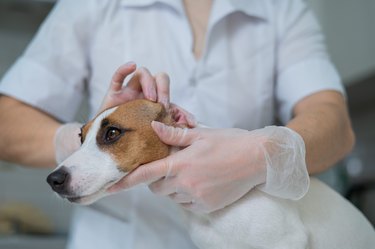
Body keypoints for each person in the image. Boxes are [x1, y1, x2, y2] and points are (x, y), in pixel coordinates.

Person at [0, 0, 355, 249]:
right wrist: (75, 142)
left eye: (110, 135)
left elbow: (335, 123)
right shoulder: (93, 4)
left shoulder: (283, 11)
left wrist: (263, 154)